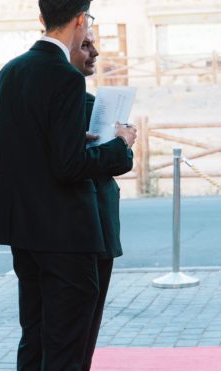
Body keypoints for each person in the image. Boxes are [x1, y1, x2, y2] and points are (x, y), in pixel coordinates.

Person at [0, 0, 137, 370]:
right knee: (67, 348)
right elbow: (68, 166)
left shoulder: (9, 72)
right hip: (67, 237)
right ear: (80, 20)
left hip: (24, 232)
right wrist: (118, 146)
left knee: (34, 340)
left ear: (42, 17)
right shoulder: (66, 77)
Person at [70, 29, 135, 369]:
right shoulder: (84, 104)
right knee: (84, 325)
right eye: (85, 45)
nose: (94, 52)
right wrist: (123, 141)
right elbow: (119, 162)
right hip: (93, 223)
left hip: (91, 223)